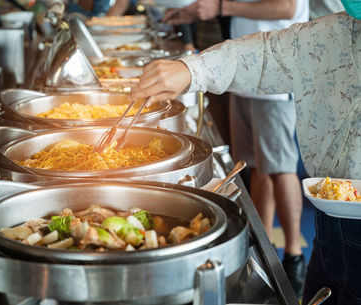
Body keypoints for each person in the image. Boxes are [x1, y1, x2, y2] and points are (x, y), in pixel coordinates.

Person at [131, 7, 360, 304]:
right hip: (331, 224)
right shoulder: (339, 32)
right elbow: (268, 54)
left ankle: (293, 256)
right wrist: (191, 70)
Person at [163, 0, 309, 297]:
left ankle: (294, 256)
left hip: (276, 77)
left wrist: (221, 8)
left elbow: (287, 8)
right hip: (245, 75)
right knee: (254, 165)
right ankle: (266, 249)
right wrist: (194, 12)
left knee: (280, 167)